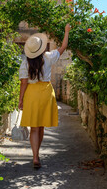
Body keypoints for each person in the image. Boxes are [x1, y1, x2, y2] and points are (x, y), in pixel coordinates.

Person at [18, 23, 71, 169]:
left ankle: (35, 156)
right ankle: (37, 155)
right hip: (46, 93)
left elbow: (23, 84)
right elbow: (63, 47)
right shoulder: (48, 57)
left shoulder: (25, 63)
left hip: (32, 94)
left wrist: (21, 100)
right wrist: (66, 31)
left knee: (34, 127)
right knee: (41, 126)